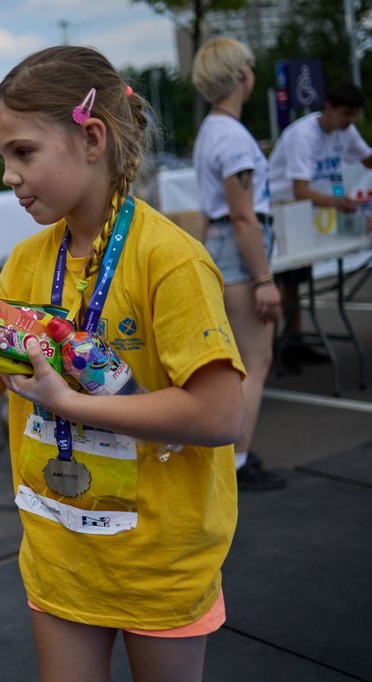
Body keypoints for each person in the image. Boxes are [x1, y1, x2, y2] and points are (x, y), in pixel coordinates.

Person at [0, 46, 245, 682]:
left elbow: (220, 413)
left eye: (23, 152)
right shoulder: (27, 261)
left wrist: (72, 405)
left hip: (160, 559)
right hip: (61, 552)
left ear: (90, 139)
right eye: (2, 156)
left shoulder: (170, 259)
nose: (8, 174)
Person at [191, 37, 287, 492]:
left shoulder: (213, 129)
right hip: (239, 251)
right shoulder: (231, 137)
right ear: (242, 76)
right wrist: (264, 278)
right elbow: (243, 214)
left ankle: (234, 459)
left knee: (241, 362)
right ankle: (237, 463)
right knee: (255, 360)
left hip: (226, 247)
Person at [267, 82, 372, 367]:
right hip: (280, 213)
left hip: (306, 215)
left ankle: (294, 340)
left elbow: (367, 159)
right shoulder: (304, 136)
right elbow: (300, 190)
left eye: (354, 116)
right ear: (328, 108)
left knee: (296, 283)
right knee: (281, 284)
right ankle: (277, 349)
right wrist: (338, 202)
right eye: (346, 114)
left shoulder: (345, 131)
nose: (350, 122)